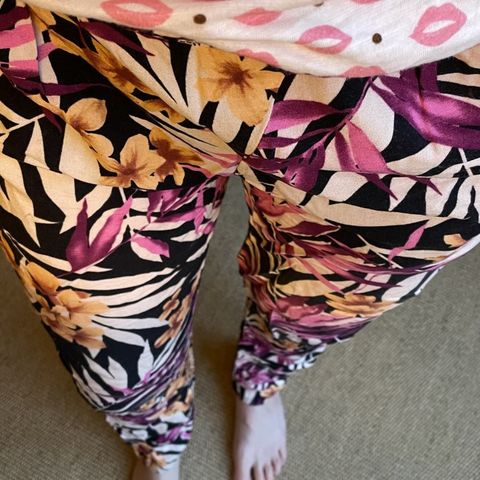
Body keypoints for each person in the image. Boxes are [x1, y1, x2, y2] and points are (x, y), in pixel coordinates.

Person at [1, 0, 480, 479]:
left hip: (431, 80)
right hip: (81, 42)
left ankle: (261, 376)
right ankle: (158, 435)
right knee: (106, 331)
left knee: (325, 301)